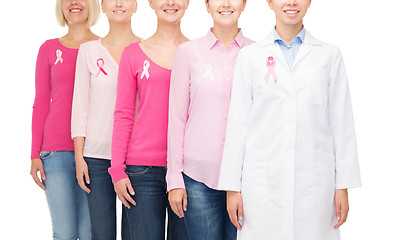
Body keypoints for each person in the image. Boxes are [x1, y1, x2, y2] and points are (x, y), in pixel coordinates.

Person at [218, 0, 362, 239]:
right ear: (270, 2)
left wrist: (342, 186)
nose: (292, 2)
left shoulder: (329, 56)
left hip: (314, 184)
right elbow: (238, 124)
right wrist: (232, 187)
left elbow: (341, 123)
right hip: (262, 183)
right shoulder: (250, 57)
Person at [166, 0, 253, 239]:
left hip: (247, 178)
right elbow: (176, 118)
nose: (225, 4)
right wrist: (174, 179)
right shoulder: (188, 53)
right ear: (206, 5)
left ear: (244, 4)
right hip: (197, 179)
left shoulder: (258, 54)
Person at [109, 0, 190, 239]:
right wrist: (117, 170)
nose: (171, 2)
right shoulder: (133, 54)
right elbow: (123, 114)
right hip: (141, 172)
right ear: (151, 3)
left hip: (187, 171)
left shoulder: (197, 53)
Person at [30, 0, 100, 239]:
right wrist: (34, 154)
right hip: (56, 153)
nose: (74, 3)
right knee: (65, 233)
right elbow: (40, 104)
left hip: (95, 152)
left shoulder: (104, 47)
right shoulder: (48, 49)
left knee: (90, 232)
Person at [71, 0, 141, 239]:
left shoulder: (147, 49)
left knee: (135, 234)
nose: (119, 3)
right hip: (96, 159)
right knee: (101, 234)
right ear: (102, 6)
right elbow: (80, 107)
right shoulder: (89, 51)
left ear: (136, 6)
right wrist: (80, 158)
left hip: (136, 160)